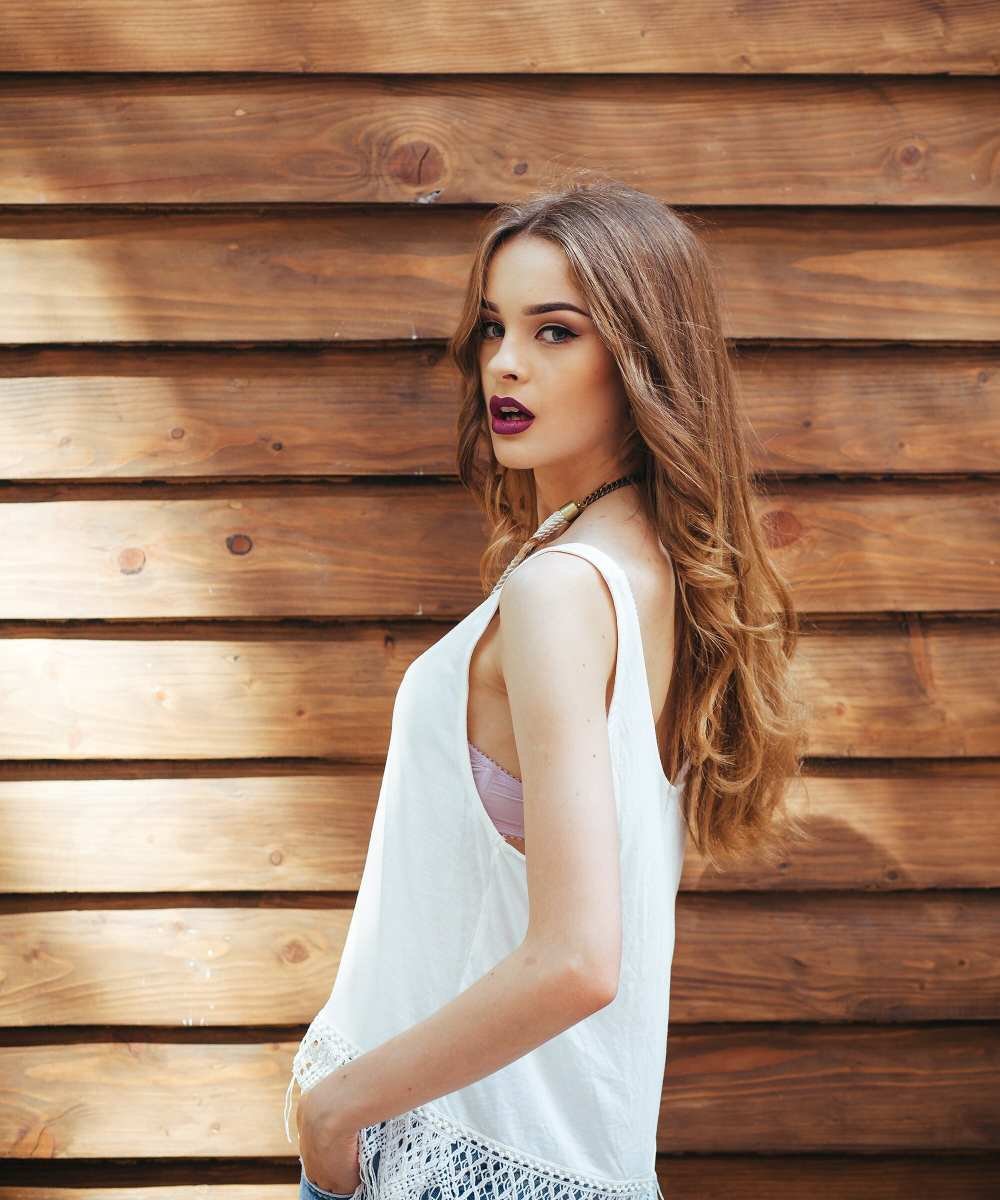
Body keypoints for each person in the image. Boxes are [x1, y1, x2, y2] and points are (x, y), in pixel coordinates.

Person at [286, 176, 809, 1200]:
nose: (505, 363)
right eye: (491, 327)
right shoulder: (640, 562)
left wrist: (334, 1109)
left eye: (556, 331)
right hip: (548, 1155)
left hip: (458, 1155)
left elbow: (578, 958)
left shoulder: (561, 590)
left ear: (642, 358)